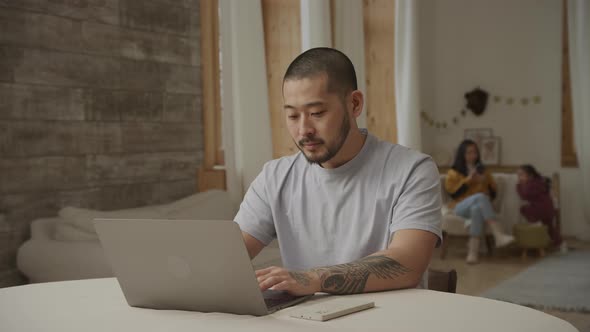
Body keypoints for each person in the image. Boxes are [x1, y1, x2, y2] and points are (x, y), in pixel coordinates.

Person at [235, 48, 442, 296]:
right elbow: (231, 254)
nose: (303, 130)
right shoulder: (275, 177)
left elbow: (408, 262)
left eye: (316, 113)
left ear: (354, 104)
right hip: (307, 321)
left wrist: (312, 279)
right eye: (292, 115)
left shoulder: (412, 170)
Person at [444, 140, 514, 264]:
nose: (473, 155)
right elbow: (453, 194)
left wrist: (483, 182)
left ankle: (472, 253)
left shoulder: (484, 171)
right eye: (469, 152)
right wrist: (469, 180)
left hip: (478, 206)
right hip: (459, 207)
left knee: (477, 208)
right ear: (462, 154)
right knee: (480, 197)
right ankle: (497, 233)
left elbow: (493, 194)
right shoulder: (453, 172)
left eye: (475, 152)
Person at [516, 164, 561, 246]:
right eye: (518, 175)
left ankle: (536, 222)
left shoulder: (531, 184)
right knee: (550, 227)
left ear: (530, 175)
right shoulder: (540, 181)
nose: (519, 178)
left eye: (521, 175)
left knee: (523, 209)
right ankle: (559, 243)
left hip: (539, 209)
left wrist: (519, 186)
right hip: (549, 209)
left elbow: (524, 196)